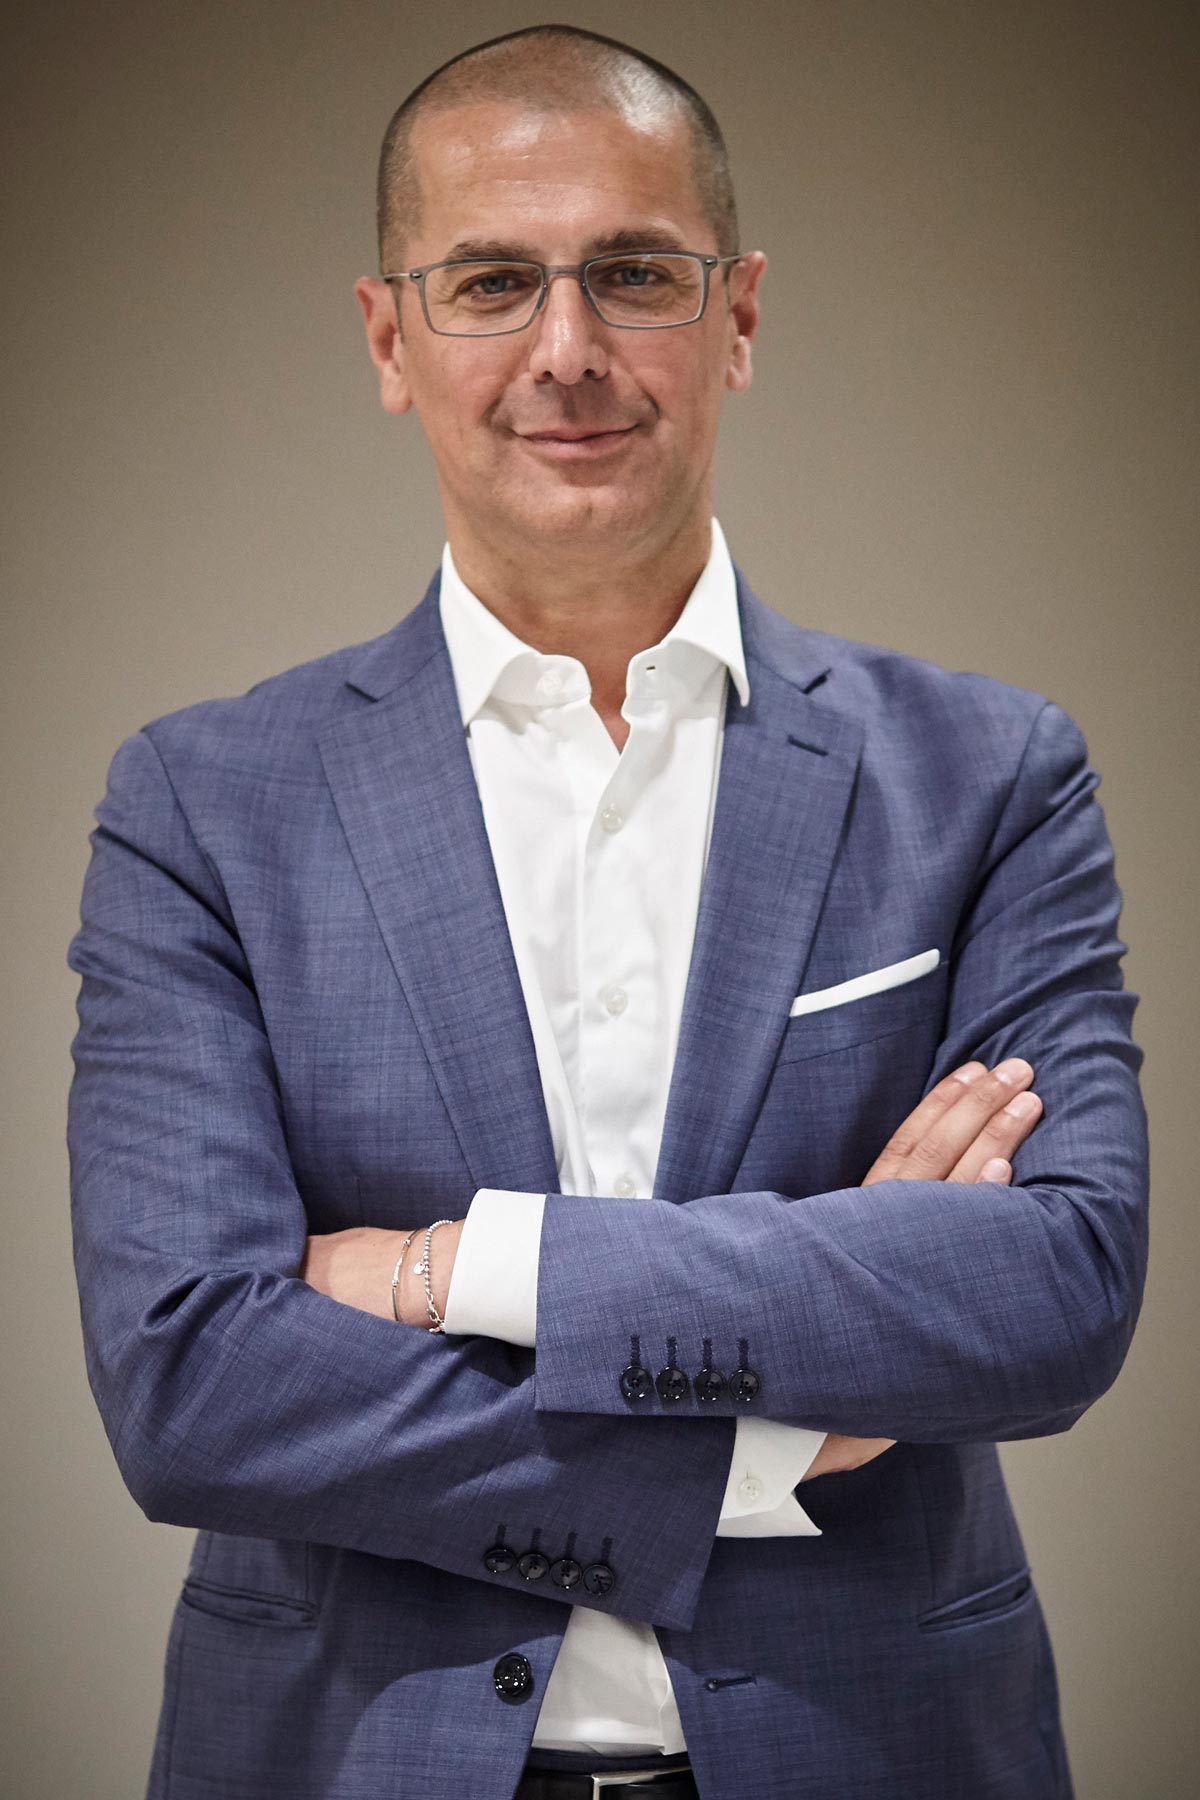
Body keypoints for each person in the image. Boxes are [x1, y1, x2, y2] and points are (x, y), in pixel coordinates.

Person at [66, 24, 1148, 1800]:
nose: (566, 350)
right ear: (389, 338)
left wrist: (454, 1272)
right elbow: (189, 1383)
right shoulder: (202, 804)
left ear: (739, 316)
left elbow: (1056, 1288)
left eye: (635, 274)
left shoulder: (990, 776)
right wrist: (764, 1444)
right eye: (493, 281)